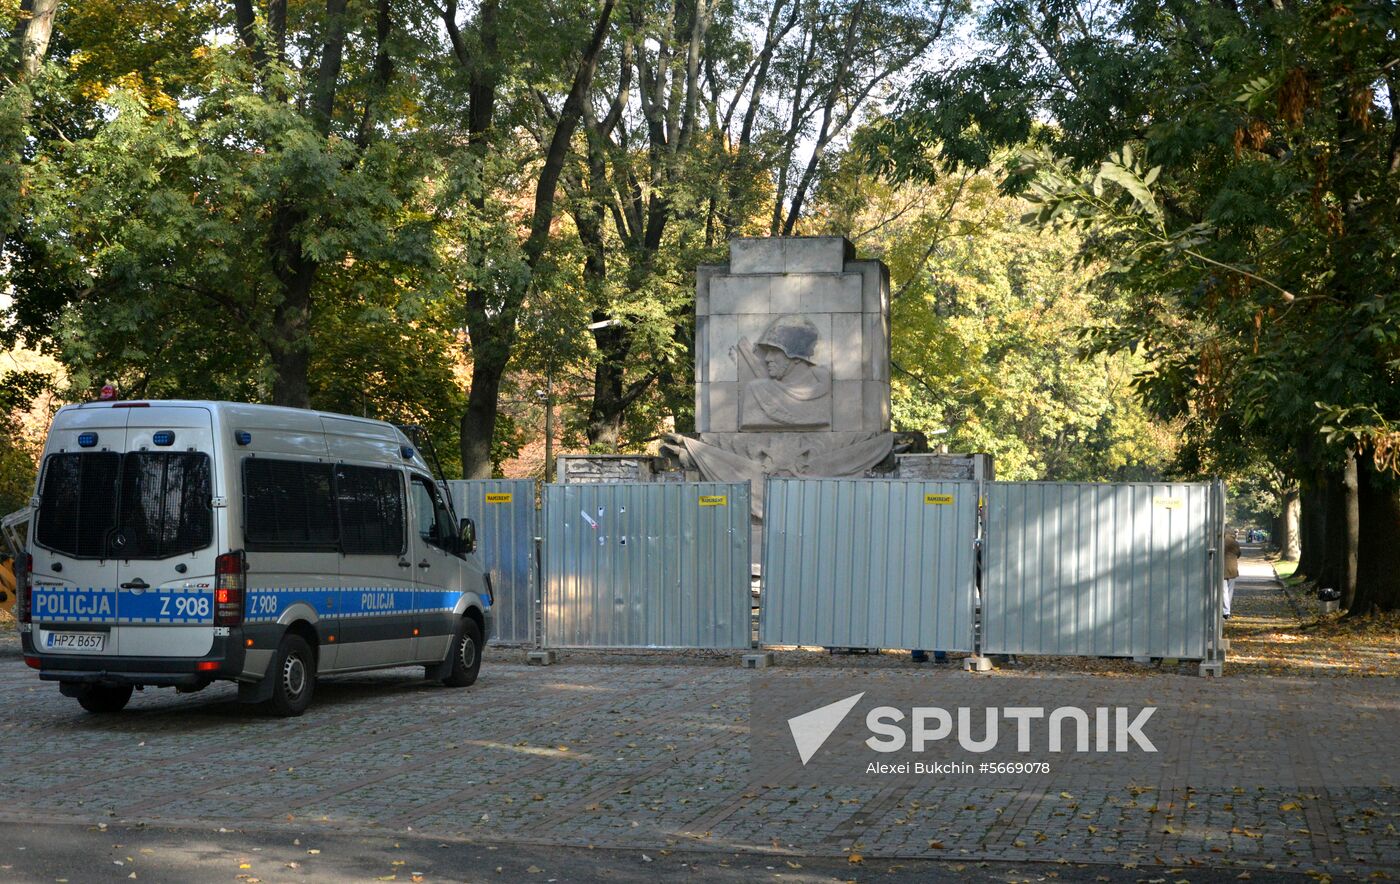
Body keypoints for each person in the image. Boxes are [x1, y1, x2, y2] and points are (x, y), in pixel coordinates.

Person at [737, 316, 832, 430]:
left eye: (775, 351)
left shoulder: (822, 389)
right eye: (768, 352)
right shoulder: (755, 390)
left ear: (797, 357)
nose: (767, 358)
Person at [1223, 528, 1241, 619]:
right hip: (1233, 569)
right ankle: (1227, 610)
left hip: (1222, 570)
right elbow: (1238, 554)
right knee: (1230, 591)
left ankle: (1226, 611)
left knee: (1223, 591)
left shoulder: (1221, 543)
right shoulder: (1235, 543)